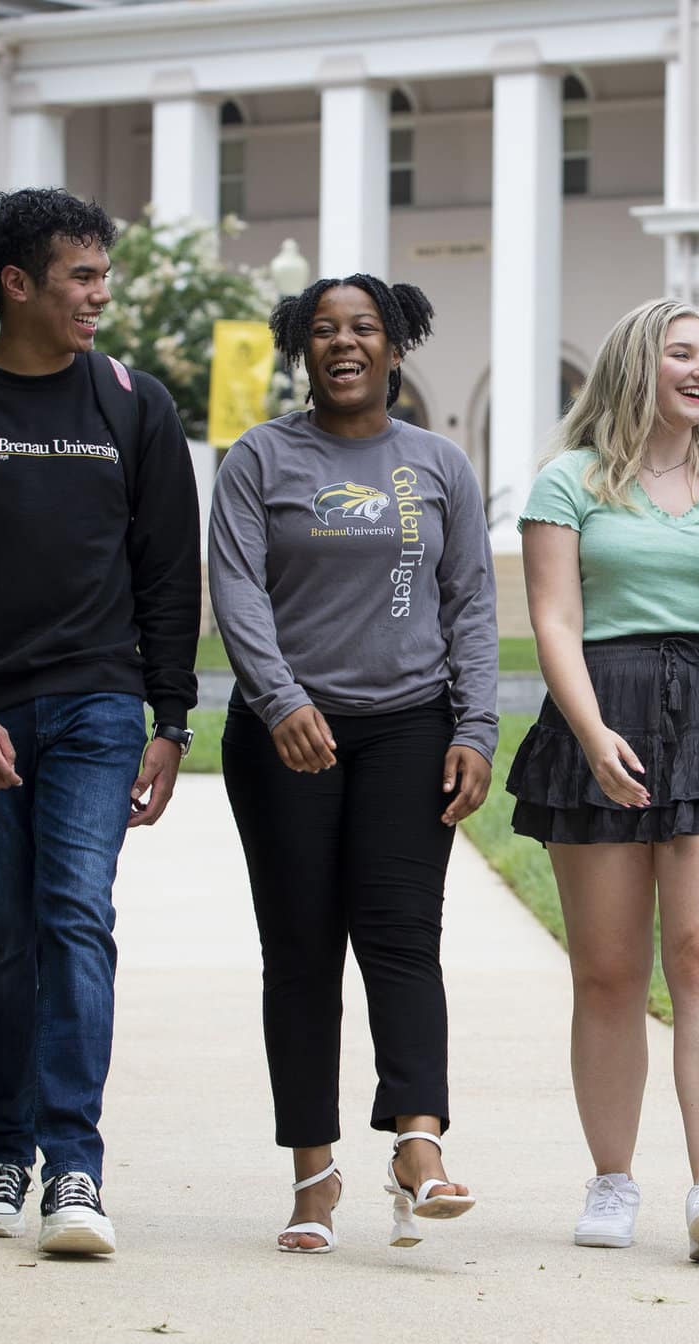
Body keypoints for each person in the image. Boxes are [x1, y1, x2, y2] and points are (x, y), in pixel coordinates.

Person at [0, 187, 202, 1257]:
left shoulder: (132, 405)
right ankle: (1, 1152)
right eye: (82, 276)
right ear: (17, 285)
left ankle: (74, 1167)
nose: (100, 295)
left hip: (103, 706)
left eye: (103, 275)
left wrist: (172, 720)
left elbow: (166, 571)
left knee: (73, 914)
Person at [509, 297, 699, 1263]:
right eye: (682, 352)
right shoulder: (571, 481)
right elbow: (553, 618)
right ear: (638, 364)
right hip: (604, 707)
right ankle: (611, 1179)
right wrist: (592, 733)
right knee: (607, 970)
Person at [208, 273, 499, 1254]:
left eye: (363, 328)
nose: (344, 344)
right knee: (300, 954)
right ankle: (313, 1173)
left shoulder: (436, 466)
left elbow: (470, 603)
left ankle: (419, 1142)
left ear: (394, 346)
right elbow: (237, 590)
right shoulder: (258, 459)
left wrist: (477, 728)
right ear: (302, 349)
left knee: (402, 937)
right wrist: (282, 699)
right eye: (325, 330)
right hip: (284, 735)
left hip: (409, 729)